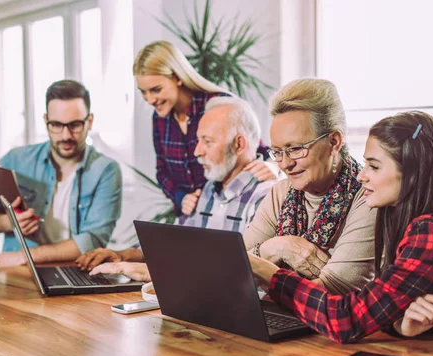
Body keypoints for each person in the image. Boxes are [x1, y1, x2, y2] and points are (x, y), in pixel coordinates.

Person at [250, 110, 433, 342]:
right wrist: (399, 324)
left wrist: (267, 273)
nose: (361, 176)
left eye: (374, 166)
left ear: (414, 172)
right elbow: (385, 303)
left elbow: (346, 319)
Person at [76, 97, 277, 280]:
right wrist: (123, 255)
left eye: (207, 142)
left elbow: (240, 272)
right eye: (198, 141)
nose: (197, 152)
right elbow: (180, 242)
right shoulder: (210, 189)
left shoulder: (265, 196)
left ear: (239, 144)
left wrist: (145, 272)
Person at [243, 78, 377, 295]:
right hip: (280, 317)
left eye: (296, 149)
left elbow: (332, 293)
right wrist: (278, 247)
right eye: (277, 152)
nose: (285, 164)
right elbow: (233, 270)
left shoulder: (368, 197)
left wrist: (257, 265)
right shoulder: (281, 192)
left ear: (334, 142)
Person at [0, 79, 122, 270]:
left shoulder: (106, 170)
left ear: (89, 121)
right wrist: (8, 222)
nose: (66, 135)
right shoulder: (17, 160)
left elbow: (92, 239)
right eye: (56, 125)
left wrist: (24, 256)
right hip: (17, 272)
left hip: (74, 272)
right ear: (45, 121)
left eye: (75, 125)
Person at [133, 40, 277, 218]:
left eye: (156, 89)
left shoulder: (218, 107)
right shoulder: (159, 118)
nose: (149, 99)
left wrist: (273, 165)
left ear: (177, 77)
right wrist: (181, 198)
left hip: (226, 213)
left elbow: (257, 147)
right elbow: (162, 171)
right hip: (190, 217)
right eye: (143, 92)